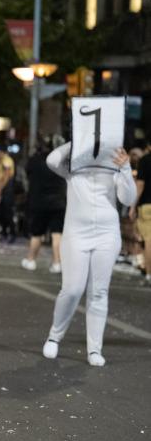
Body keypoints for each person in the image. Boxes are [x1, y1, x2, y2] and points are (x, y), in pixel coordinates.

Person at [41, 143, 136, 366]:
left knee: (99, 291)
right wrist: (78, 140)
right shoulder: (73, 168)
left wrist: (125, 168)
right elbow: (52, 160)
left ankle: (94, 349)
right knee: (72, 289)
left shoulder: (114, 167)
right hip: (76, 233)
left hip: (107, 234)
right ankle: (55, 335)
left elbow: (128, 198)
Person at [21, 139, 66, 273]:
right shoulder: (60, 161)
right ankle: (57, 262)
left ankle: (31, 260)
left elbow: (28, 174)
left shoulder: (35, 160)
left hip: (39, 202)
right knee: (57, 234)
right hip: (59, 202)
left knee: (37, 233)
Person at [130, 142, 151, 284]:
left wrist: (133, 206)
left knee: (148, 241)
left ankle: (149, 273)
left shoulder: (145, 160)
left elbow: (140, 185)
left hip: (147, 205)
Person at [0, 147, 17, 243]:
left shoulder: (6, 160)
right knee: (2, 212)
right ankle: (4, 234)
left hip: (7, 188)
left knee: (8, 213)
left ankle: (12, 234)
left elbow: (6, 175)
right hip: (5, 188)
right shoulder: (2, 160)